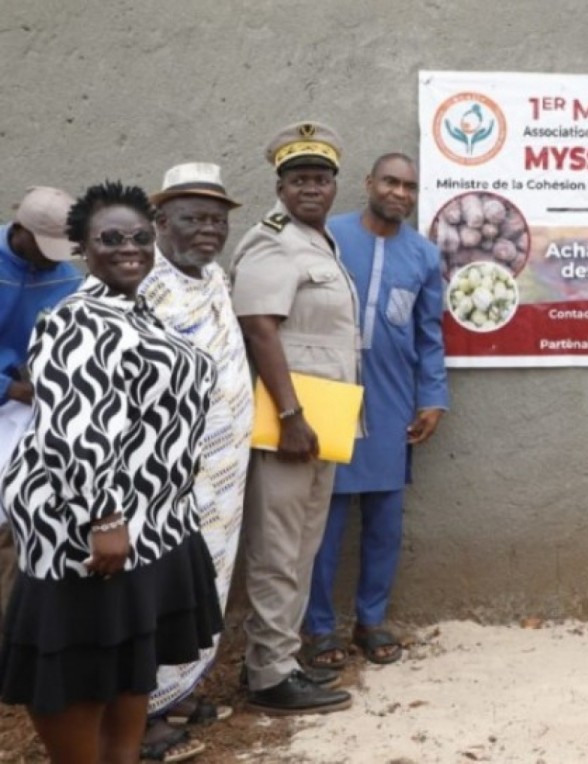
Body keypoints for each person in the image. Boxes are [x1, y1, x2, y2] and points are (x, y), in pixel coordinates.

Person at [0, 181, 223, 763]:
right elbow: (74, 427)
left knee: (125, 660)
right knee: (79, 661)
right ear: (82, 246)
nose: (130, 248)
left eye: (140, 237)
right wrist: (104, 517)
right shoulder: (75, 320)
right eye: (111, 238)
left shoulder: (134, 310)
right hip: (89, 525)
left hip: (149, 519)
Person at [232, 121, 358, 715]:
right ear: (280, 187)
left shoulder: (319, 241)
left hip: (323, 422)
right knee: (278, 547)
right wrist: (289, 414)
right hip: (291, 423)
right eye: (298, 178)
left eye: (321, 178)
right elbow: (259, 327)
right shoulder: (272, 240)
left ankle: (277, 658)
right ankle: (269, 675)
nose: (311, 187)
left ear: (335, 187)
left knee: (302, 544)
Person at [303, 153, 448, 667]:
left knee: (385, 521)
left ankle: (371, 620)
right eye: (390, 182)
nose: (400, 193)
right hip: (329, 392)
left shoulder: (424, 256)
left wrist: (433, 397)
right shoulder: (329, 237)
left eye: (409, 186)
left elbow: (430, 335)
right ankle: (319, 629)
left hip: (391, 399)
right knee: (325, 519)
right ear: (368, 184)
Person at [134, 163, 253, 759]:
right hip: (166, 484)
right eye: (192, 218)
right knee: (161, 591)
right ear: (160, 222)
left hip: (223, 476)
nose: (208, 229)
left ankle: (181, 691)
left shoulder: (212, 281)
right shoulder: (141, 288)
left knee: (204, 587)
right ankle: (142, 717)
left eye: (217, 219)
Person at [0, 186, 82, 631]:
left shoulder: (67, 278)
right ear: (19, 230)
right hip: (11, 398)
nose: (56, 258)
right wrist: (10, 389)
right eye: (46, 247)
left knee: (19, 527)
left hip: (27, 416)